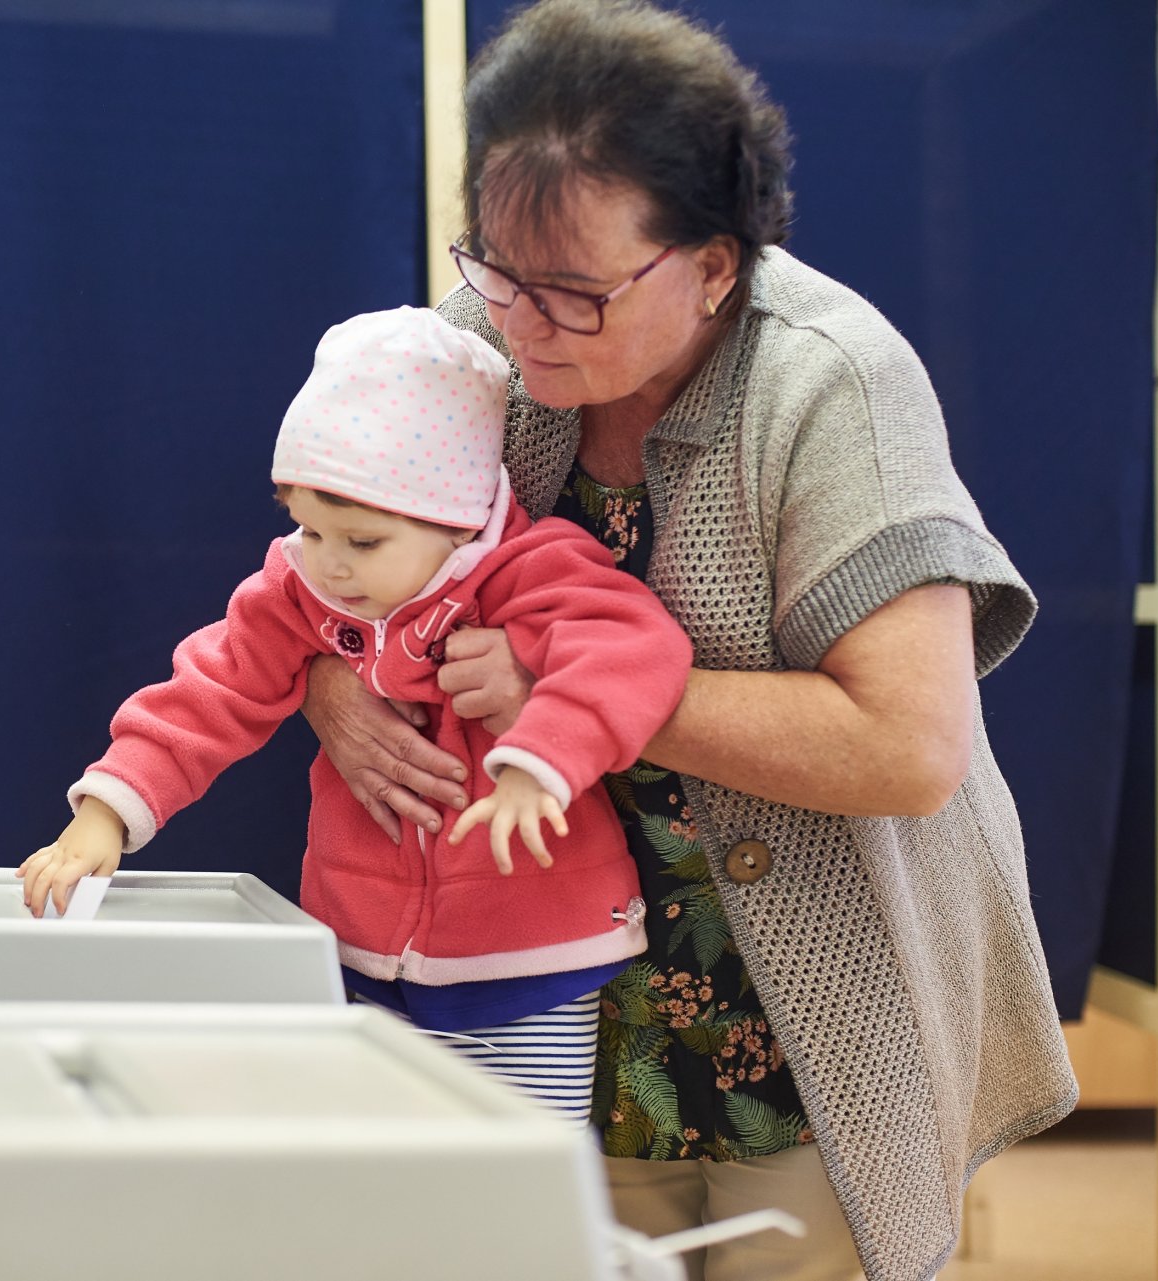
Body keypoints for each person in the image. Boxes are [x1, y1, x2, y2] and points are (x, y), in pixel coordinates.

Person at [298, 3, 1077, 1279]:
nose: (521, 321)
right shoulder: (475, 337)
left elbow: (907, 745)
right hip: (551, 990)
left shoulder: (830, 383)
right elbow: (332, 549)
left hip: (813, 996)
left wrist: (581, 690)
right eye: (495, 266)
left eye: (575, 293)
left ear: (715, 265)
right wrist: (334, 673)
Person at [18, 305, 691, 1122]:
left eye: (363, 542)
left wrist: (537, 760)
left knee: (516, 1180)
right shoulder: (302, 584)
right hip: (359, 950)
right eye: (308, 527)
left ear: (458, 518)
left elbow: (632, 648)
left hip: (527, 957)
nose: (329, 564)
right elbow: (211, 687)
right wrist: (105, 813)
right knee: (381, 1175)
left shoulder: (533, 567)